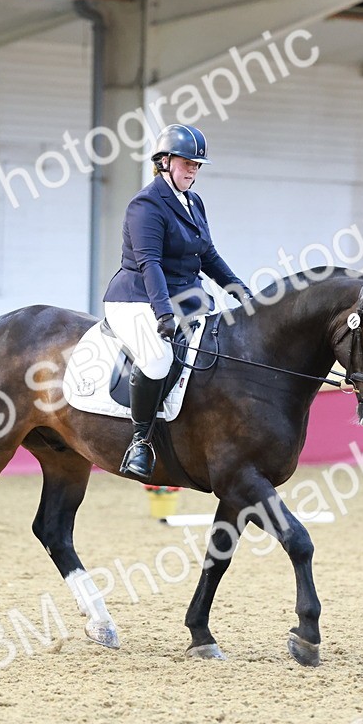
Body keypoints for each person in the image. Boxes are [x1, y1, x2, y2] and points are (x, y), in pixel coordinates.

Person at [101, 123, 250, 480]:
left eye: (197, 165)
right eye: (186, 162)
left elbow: (208, 255)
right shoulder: (146, 205)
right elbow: (149, 263)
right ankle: (141, 442)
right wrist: (163, 312)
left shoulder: (194, 202)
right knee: (157, 358)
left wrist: (240, 291)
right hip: (138, 298)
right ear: (164, 161)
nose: (193, 170)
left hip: (187, 297)